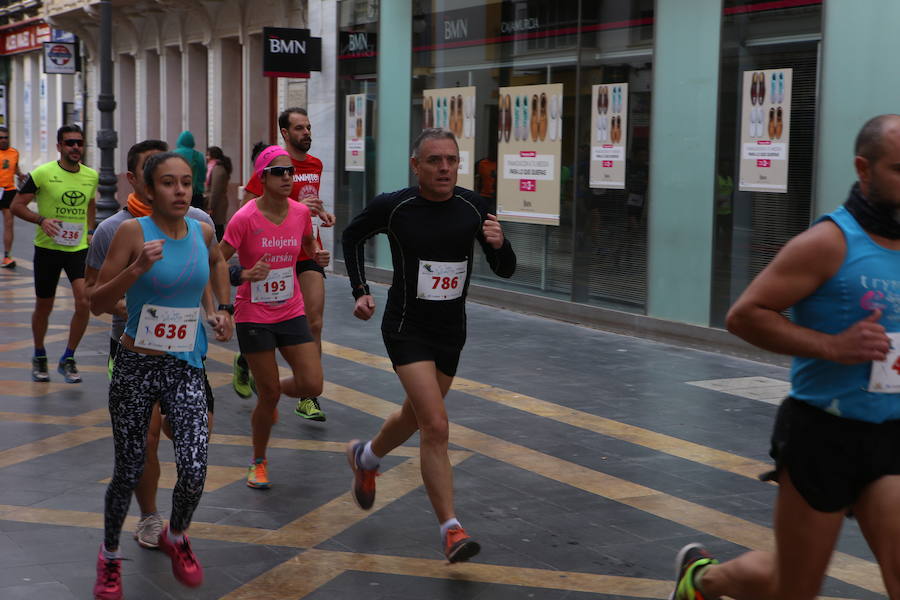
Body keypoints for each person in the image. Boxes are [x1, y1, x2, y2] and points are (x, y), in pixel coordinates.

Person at [671, 114, 900, 600]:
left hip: (892, 433)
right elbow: (746, 314)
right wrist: (833, 347)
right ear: (864, 169)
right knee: (795, 588)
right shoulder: (828, 242)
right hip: (824, 434)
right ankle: (702, 579)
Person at [341, 128, 516, 562]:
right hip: (405, 327)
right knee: (435, 425)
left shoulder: (475, 208)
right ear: (416, 165)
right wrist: (360, 289)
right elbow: (351, 236)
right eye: (434, 160)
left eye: (451, 161)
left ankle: (366, 456)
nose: (444, 168)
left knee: (415, 416)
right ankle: (451, 529)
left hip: (450, 332)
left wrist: (501, 243)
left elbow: (505, 267)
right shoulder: (395, 206)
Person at [90, 151, 233, 599]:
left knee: (194, 467)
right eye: (169, 183)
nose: (180, 191)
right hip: (136, 365)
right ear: (148, 190)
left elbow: (210, 265)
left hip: (185, 365)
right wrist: (137, 269)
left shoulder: (203, 229)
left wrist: (218, 310)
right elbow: (94, 301)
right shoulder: (132, 232)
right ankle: (110, 557)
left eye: (186, 183)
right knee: (129, 468)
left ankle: (177, 534)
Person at [220, 145, 329, 489]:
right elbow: (217, 263)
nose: (286, 178)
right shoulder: (245, 218)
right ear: (262, 177)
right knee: (267, 397)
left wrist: (318, 256)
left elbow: (308, 244)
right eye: (278, 172)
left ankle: (272, 392)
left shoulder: (299, 213)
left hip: (290, 309)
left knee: (312, 384)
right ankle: (258, 460)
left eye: (290, 172)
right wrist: (243, 275)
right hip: (254, 314)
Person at [234, 107, 335, 422]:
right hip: (275, 255)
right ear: (285, 133)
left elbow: (309, 204)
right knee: (270, 316)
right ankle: (250, 357)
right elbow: (249, 206)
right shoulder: (270, 166)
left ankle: (308, 397)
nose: (306, 133)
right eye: (299, 128)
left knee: (315, 322)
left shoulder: (316, 165)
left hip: (307, 249)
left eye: (308, 127)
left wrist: (320, 215)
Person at [11, 124, 97, 384]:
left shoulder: (91, 175)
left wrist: (91, 231)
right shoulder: (42, 174)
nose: (75, 148)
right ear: (59, 146)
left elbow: (91, 203)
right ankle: (39, 353)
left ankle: (68, 357)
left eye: (79, 143)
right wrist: (41, 220)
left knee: (84, 302)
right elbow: (16, 205)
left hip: (77, 249)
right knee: (44, 306)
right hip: (47, 249)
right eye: (70, 143)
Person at [0, 126, 23, 268]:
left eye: (5, 137)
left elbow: (15, 169)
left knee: (9, 224)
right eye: (0, 138)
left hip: (9, 190)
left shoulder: (14, 153)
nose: (3, 140)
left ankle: (7, 256)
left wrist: (21, 176)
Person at [205, 146, 232, 240]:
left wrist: (210, 206)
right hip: (218, 203)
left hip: (217, 204)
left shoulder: (217, 169)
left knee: (217, 229)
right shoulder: (216, 167)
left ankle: (219, 251)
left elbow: (215, 191)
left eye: (208, 155)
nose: (206, 157)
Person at [174, 130, 206, 209]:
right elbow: (202, 176)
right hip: (196, 194)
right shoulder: (199, 155)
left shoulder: (173, 154)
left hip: (177, 193)